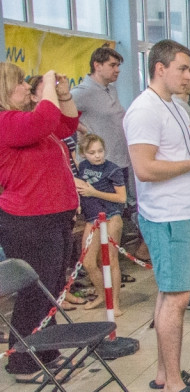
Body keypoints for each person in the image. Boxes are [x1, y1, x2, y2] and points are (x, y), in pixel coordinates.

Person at [124, 40, 190, 392]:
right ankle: (172, 387)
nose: (189, 76)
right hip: (165, 217)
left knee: (172, 293)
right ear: (160, 68)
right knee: (176, 298)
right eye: (183, 69)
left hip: (181, 212)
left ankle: (165, 372)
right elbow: (145, 169)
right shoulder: (144, 110)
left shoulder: (175, 105)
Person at [0, 66, 82, 381]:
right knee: (34, 292)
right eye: (21, 82)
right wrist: (46, 82)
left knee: (51, 288)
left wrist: (64, 95)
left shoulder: (27, 122)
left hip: (53, 217)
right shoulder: (7, 122)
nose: (25, 86)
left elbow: (66, 125)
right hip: (28, 221)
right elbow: (46, 120)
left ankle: (46, 350)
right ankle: (22, 362)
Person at [73, 48, 132, 211]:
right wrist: (83, 130)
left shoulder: (111, 89)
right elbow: (58, 114)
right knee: (104, 214)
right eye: (112, 65)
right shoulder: (82, 92)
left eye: (118, 65)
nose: (117, 70)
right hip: (99, 166)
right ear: (97, 66)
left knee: (120, 212)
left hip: (119, 160)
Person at [76, 133, 127, 315]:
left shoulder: (113, 169)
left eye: (100, 151)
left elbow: (122, 198)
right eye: (92, 153)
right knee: (88, 261)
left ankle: (115, 302)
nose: (97, 156)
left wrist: (94, 192)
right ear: (83, 153)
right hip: (92, 218)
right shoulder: (83, 167)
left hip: (111, 216)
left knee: (111, 260)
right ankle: (102, 294)